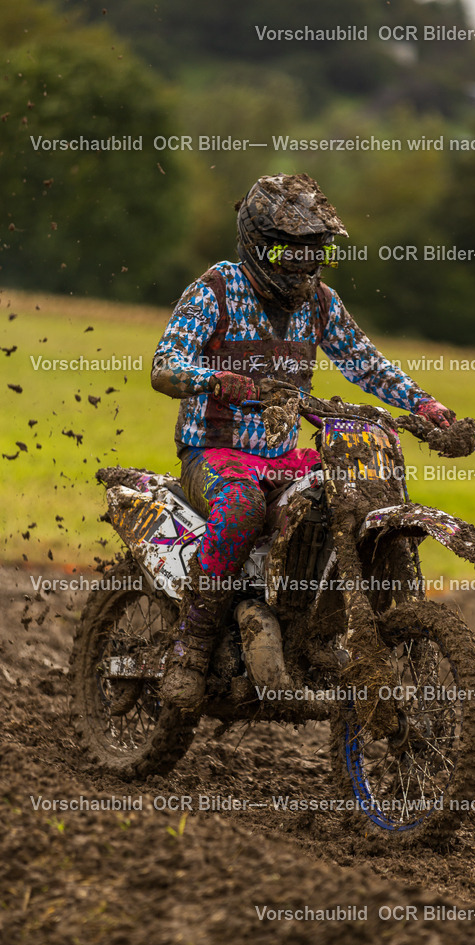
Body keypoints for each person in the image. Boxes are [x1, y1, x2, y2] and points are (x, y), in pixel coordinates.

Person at [150, 172, 455, 712]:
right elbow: (165, 365)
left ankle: (318, 631)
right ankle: (191, 648)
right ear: (259, 245)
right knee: (242, 508)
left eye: (315, 253)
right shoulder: (216, 290)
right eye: (291, 253)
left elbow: (366, 364)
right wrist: (215, 379)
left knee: (349, 494)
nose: (304, 265)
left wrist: (424, 405)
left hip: (286, 456)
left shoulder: (320, 302)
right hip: (214, 454)